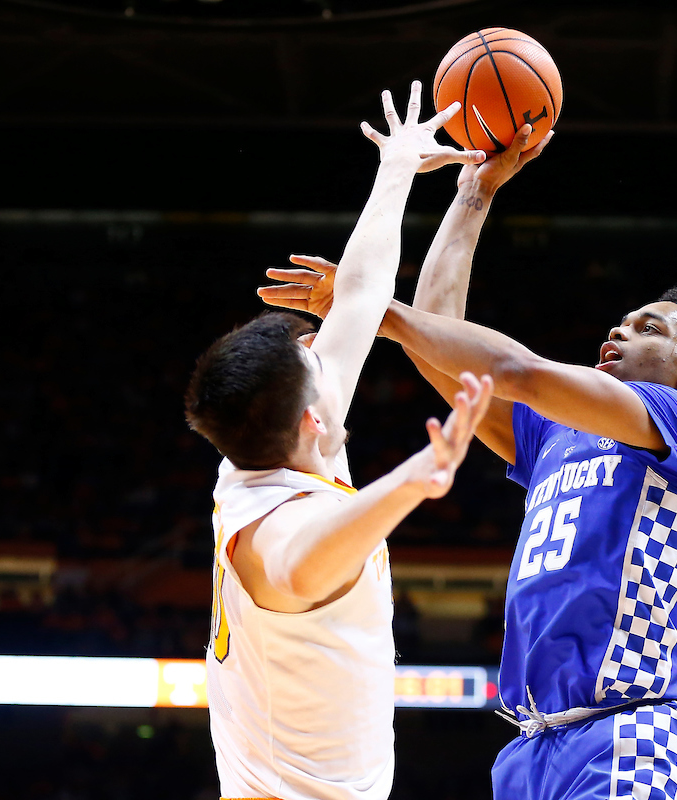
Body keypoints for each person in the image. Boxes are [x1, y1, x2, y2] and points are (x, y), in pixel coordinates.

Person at [259, 123, 677, 800]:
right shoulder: (557, 435)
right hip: (529, 747)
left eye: (649, 328)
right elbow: (444, 340)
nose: (619, 329)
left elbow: (514, 368)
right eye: (624, 320)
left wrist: (375, 308)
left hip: (629, 733)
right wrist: (473, 191)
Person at [184, 82, 493, 800]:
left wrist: (398, 165)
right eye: (314, 356)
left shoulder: (269, 451)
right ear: (313, 418)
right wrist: (419, 475)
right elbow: (302, 563)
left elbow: (358, 293)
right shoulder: (271, 536)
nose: (326, 343)